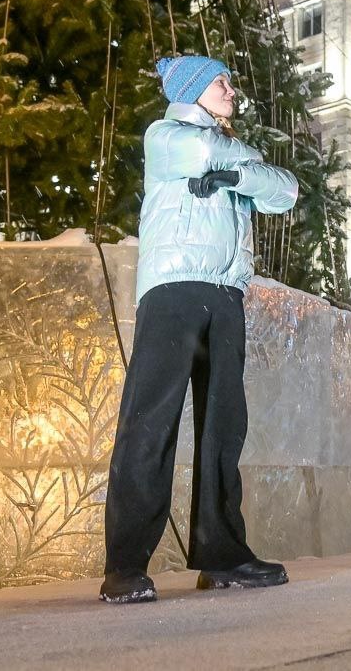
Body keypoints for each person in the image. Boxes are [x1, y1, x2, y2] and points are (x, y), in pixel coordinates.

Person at [100, 55, 300, 604]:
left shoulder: (226, 146)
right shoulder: (165, 135)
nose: (231, 91)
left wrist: (240, 175)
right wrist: (248, 168)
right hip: (174, 288)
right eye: (220, 83)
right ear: (191, 91)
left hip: (226, 293)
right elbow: (208, 154)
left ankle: (222, 555)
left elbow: (286, 191)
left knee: (223, 429)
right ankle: (124, 567)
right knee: (151, 421)